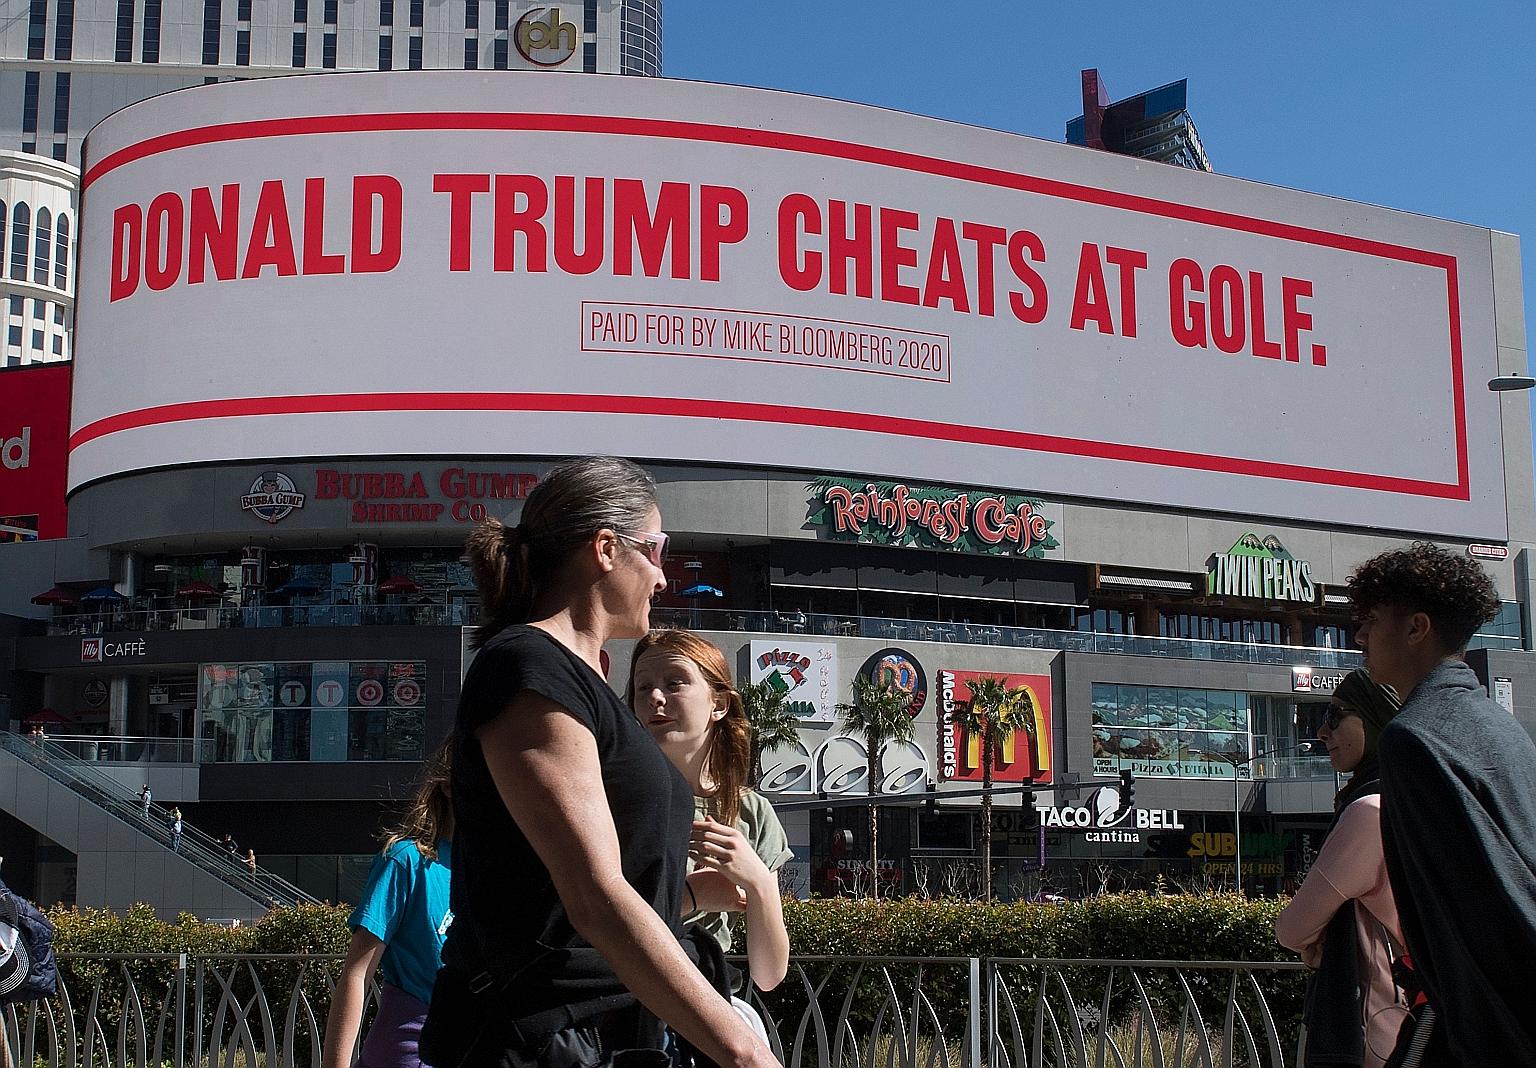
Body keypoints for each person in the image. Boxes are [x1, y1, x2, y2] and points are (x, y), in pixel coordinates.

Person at [419, 457, 778, 1068]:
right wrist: (744, 1051)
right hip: (546, 1040)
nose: (664, 579)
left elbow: (570, 895)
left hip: (606, 1034)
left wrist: (693, 896)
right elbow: (593, 897)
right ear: (606, 549)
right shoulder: (527, 667)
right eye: (656, 550)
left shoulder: (574, 681)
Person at [1347, 542, 1536, 1066]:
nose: (1359, 635)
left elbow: (1462, 914)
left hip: (1482, 1030)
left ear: (1416, 628)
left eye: (1371, 620)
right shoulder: (1504, 729)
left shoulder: (1413, 739)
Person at [626, 629, 792, 996]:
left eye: (675, 683)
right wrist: (691, 896)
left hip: (711, 1000)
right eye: (643, 687)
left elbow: (768, 974)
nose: (656, 697)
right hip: (626, 1004)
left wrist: (759, 882)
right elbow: (595, 924)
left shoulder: (752, 812)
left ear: (719, 704)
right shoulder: (613, 800)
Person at [1276, 670, 1407, 1068]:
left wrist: (1321, 943)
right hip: (1418, 1014)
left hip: (1374, 1028)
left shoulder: (1369, 812)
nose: (1321, 731)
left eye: (1335, 716)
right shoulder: (1413, 798)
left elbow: (1292, 929)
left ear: (1373, 717)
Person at [324, 742, 453, 1068]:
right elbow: (357, 972)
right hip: (409, 1054)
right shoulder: (406, 861)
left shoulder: (493, 870)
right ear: (449, 785)